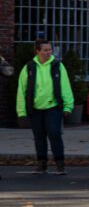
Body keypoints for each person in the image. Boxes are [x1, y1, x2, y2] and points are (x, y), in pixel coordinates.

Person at [16, 39, 74, 175]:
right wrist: (21, 112)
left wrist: (68, 106)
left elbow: (65, 86)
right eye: (45, 50)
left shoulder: (57, 66)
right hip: (35, 109)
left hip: (53, 107)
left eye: (50, 49)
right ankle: (42, 164)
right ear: (37, 51)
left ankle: (60, 164)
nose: (49, 52)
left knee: (54, 134)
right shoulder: (29, 67)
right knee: (39, 136)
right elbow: (21, 90)